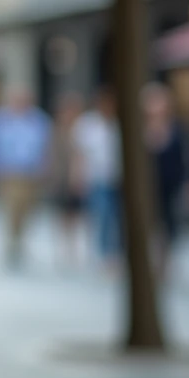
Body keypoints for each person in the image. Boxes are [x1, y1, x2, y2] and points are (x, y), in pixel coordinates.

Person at [0, 89, 52, 267]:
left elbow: (48, 146)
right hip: (8, 173)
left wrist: (45, 167)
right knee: (10, 208)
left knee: (27, 210)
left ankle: (20, 241)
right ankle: (11, 245)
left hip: (31, 174)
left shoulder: (39, 120)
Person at [71, 89, 122, 267]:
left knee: (117, 216)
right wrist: (78, 177)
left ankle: (115, 251)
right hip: (97, 179)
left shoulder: (119, 122)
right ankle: (104, 253)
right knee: (102, 215)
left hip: (118, 179)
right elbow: (80, 154)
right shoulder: (87, 124)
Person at [143, 82, 186, 280]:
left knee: (169, 227)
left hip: (170, 187)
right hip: (148, 188)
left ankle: (164, 264)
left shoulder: (175, 128)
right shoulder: (140, 130)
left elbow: (181, 160)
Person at [49, 92, 86, 265]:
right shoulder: (57, 130)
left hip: (76, 179)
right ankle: (63, 247)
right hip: (60, 178)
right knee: (62, 213)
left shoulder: (81, 130)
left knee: (75, 214)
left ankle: (73, 247)